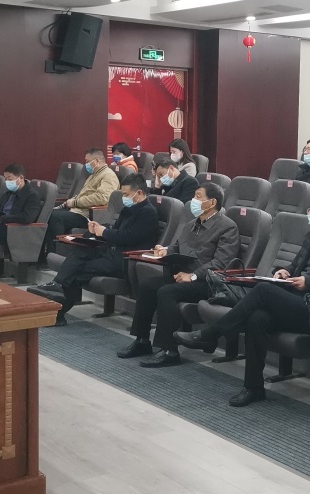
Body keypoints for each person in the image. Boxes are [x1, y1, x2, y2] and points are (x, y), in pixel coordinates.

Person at [173, 189, 310, 407]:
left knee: (264, 291)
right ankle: (254, 388)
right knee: (258, 318)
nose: (309, 211)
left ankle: (211, 334)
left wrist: (308, 281)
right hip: (299, 301)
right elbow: (296, 265)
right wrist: (284, 271)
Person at [115, 182, 239, 367]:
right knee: (148, 285)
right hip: (183, 276)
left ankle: (169, 350)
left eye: (198, 197)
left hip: (207, 283)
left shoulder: (227, 227)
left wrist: (193, 275)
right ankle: (142, 341)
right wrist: (165, 250)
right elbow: (178, 247)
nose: (193, 201)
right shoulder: (191, 224)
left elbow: (221, 263)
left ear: (212, 202)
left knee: (166, 292)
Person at [31, 174, 160, 325]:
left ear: (139, 193)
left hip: (126, 259)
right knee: (81, 250)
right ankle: (57, 288)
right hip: (112, 252)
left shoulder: (148, 212)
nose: (124, 198)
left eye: (126, 194)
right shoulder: (128, 209)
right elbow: (116, 230)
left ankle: (58, 300)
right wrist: (98, 229)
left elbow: (129, 237)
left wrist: (104, 232)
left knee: (76, 271)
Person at [42, 148, 120, 258]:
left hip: (88, 215)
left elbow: (102, 198)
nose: (86, 165)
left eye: (87, 161)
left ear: (97, 161)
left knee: (56, 217)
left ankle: (56, 254)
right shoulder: (93, 175)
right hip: (78, 211)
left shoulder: (108, 175)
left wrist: (75, 202)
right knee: (49, 213)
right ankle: (44, 255)